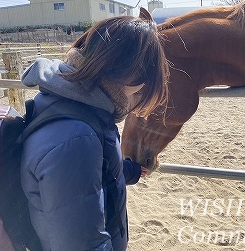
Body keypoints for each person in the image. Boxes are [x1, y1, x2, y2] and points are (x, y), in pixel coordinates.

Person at [20, 13, 169, 251]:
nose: (137, 103)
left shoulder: (74, 106)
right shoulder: (77, 137)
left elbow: (89, 178)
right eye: (143, 94)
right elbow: (81, 244)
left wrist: (129, 171)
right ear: (135, 83)